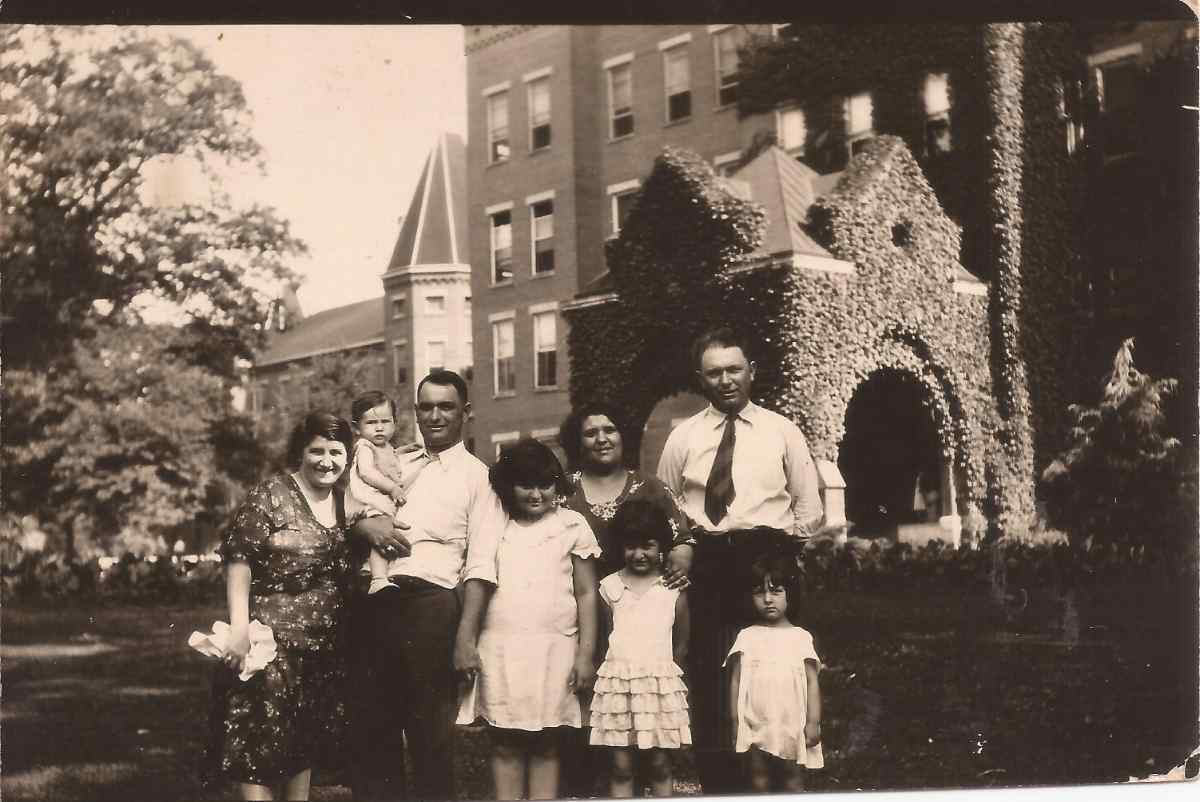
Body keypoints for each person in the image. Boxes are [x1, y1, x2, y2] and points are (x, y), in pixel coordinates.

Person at [656, 326, 824, 794]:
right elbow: (667, 506)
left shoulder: (781, 431)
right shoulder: (682, 438)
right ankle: (723, 786)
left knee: (773, 674)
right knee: (714, 677)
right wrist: (685, 545)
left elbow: (808, 507)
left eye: (734, 369)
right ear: (700, 379)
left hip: (764, 560)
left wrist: (782, 556)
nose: (726, 380)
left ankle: (780, 776)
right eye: (714, 373)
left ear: (752, 371)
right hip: (705, 563)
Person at [348, 370, 506, 802]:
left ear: (466, 413)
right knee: (373, 730)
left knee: (431, 739)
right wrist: (369, 528)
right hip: (376, 601)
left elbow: (480, 566)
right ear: (415, 411)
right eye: (426, 407)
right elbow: (353, 505)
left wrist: (465, 638)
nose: (434, 416)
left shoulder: (479, 477)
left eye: (446, 406)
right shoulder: (396, 460)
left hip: (432, 606)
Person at [202, 411, 355, 801]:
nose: (326, 461)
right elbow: (238, 560)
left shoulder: (346, 504)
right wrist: (238, 630)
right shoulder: (273, 494)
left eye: (336, 452)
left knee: (301, 748)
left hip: (322, 652)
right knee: (258, 751)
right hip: (272, 649)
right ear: (300, 453)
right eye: (316, 451)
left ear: (348, 456)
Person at [558, 404, 695, 796]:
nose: (602, 438)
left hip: (646, 615)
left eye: (611, 429)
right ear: (576, 441)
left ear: (624, 436)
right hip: (576, 614)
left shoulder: (651, 488)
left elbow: (682, 538)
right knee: (593, 728)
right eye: (590, 432)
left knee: (647, 746)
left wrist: (680, 559)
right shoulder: (565, 493)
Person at [457, 438, 600, 800]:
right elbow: (478, 579)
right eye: (526, 485)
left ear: (558, 484)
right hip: (502, 649)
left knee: (546, 743)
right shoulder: (495, 525)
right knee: (505, 742)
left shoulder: (572, 525)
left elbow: (585, 593)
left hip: (556, 650)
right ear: (508, 486)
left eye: (545, 484)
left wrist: (585, 654)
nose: (536, 494)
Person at [589, 500, 691, 798]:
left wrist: (666, 681)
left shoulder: (672, 590)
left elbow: (681, 643)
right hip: (619, 689)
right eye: (631, 546)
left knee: (659, 764)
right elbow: (605, 639)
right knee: (621, 767)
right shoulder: (609, 587)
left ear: (661, 545)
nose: (639, 554)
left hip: (657, 690)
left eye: (647, 545)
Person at [724, 550, 823, 792]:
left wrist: (813, 722)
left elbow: (812, 683)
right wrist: (736, 721)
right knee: (758, 777)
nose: (768, 599)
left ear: (791, 593)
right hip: (756, 721)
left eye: (776, 591)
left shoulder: (800, 638)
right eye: (760, 592)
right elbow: (736, 681)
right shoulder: (746, 636)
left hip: (790, 721)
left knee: (792, 777)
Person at [346, 391, 425, 592]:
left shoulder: (386, 447)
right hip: (367, 499)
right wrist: (391, 488)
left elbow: (386, 461)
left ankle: (376, 571)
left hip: (377, 499)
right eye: (371, 423)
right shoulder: (364, 447)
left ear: (394, 423)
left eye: (385, 421)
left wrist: (403, 451)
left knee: (387, 532)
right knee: (380, 530)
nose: (379, 427)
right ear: (357, 428)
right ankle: (378, 578)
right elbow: (367, 472)